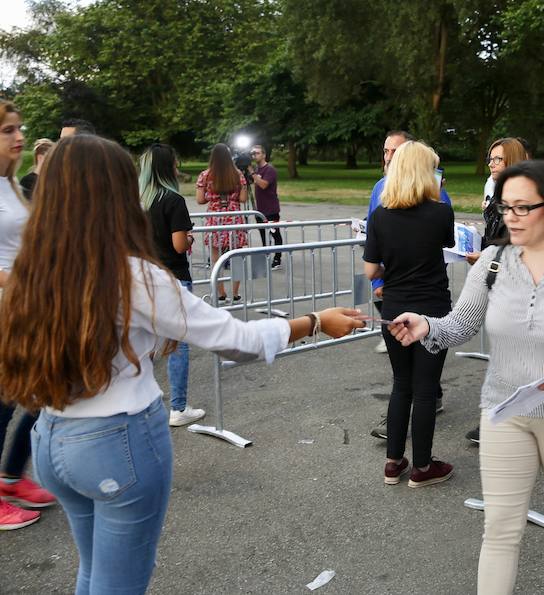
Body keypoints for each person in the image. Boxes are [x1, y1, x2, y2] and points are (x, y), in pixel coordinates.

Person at [0, 134, 364, 593]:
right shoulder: (131, 275)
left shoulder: (32, 267)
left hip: (52, 440)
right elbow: (236, 340)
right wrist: (312, 320)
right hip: (116, 442)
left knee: (94, 571)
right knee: (117, 582)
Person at [390, 160, 544, 594]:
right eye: (506, 207)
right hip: (506, 412)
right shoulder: (493, 263)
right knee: (500, 527)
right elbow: (461, 324)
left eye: (523, 207)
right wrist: (427, 326)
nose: (510, 217)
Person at [363, 141, 455, 488]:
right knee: (426, 387)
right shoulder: (440, 212)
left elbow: (372, 270)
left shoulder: (380, 215)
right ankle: (422, 465)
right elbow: (448, 244)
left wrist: (395, 262)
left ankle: (393, 461)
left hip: (394, 307)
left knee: (401, 384)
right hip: (432, 307)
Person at [0, 100, 56, 531]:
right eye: (7, 130)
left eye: (18, 128)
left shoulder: (12, 185)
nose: (19, 137)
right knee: (2, 404)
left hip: (27, 307)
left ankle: (11, 477)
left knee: (39, 394)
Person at [461, 136, 528, 446]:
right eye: (490, 159)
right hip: (496, 274)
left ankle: (509, 421)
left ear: (512, 161)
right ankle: (503, 419)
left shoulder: (523, 197)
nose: (491, 164)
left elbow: (515, 242)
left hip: (515, 281)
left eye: (498, 159)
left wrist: (487, 255)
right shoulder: (496, 191)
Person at [139, 143, 206, 427]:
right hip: (173, 277)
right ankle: (178, 407)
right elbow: (179, 245)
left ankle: (142, 401)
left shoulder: (138, 201)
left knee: (145, 343)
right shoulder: (173, 200)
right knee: (177, 345)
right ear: (168, 168)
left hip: (144, 276)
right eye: (176, 164)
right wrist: (190, 239)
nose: (179, 169)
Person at [196, 143, 248, 303]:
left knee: (215, 257)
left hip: (215, 218)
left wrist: (213, 197)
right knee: (237, 256)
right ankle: (236, 292)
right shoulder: (238, 174)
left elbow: (200, 200)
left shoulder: (205, 175)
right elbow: (243, 199)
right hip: (234, 217)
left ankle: (220, 292)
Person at [249, 144, 282, 269]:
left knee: (275, 233)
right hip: (260, 208)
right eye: (253, 153)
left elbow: (263, 185)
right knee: (263, 234)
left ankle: (277, 258)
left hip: (271, 208)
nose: (254, 155)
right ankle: (266, 254)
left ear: (263, 154)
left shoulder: (269, 169)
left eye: (257, 153)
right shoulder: (257, 170)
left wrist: (252, 173)